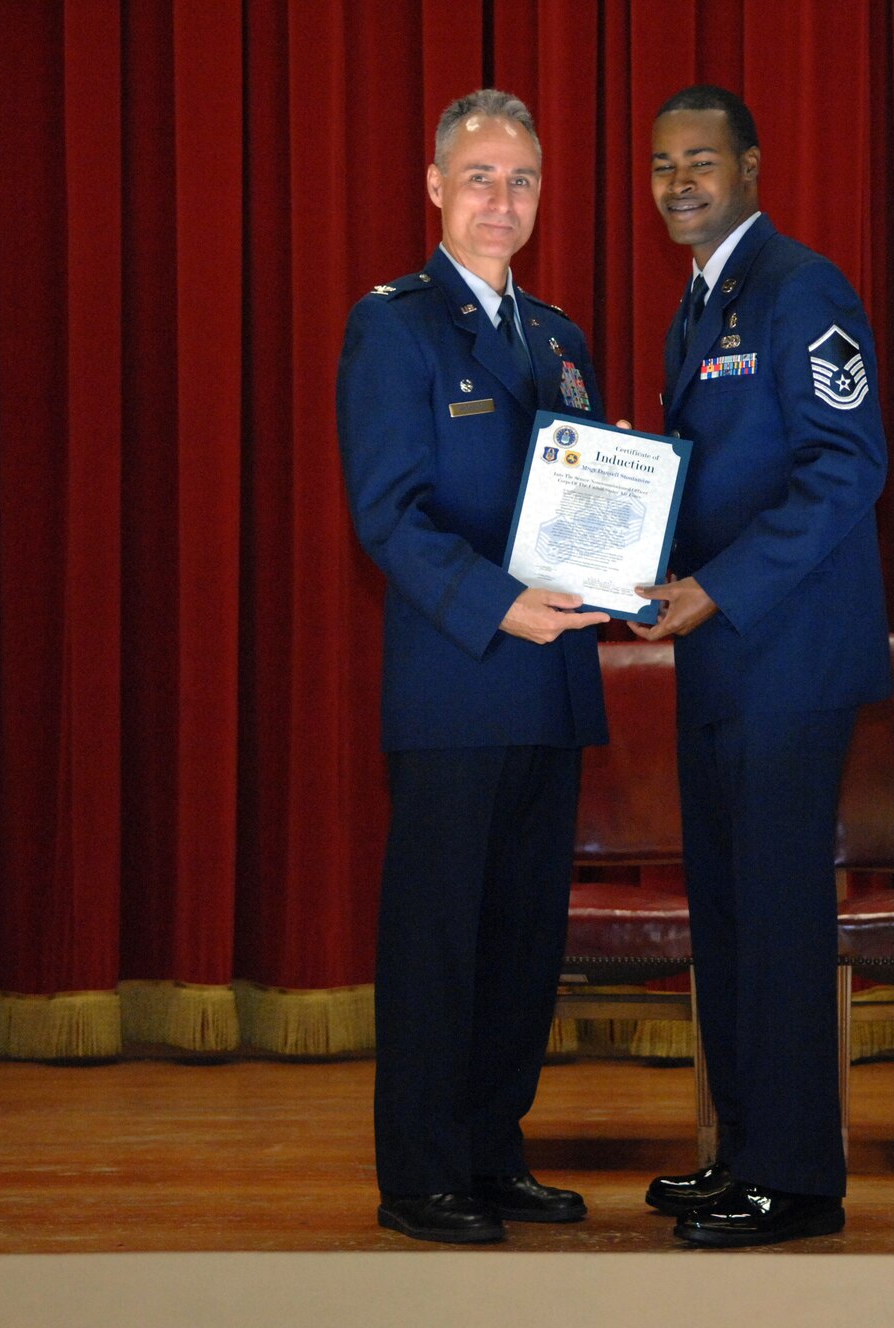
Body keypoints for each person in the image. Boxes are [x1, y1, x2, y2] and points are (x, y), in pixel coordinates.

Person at [337, 88, 608, 1244]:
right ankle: (421, 1171)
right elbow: (387, 514)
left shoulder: (558, 337)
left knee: (521, 939)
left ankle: (493, 1150)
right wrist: (505, 605)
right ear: (436, 188)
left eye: (524, 180)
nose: (504, 201)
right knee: (440, 938)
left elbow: (593, 496)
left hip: (551, 689)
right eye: (482, 177)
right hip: (457, 680)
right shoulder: (392, 326)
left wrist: (620, 570)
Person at [629, 85, 892, 1247]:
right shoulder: (699, 305)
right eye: (661, 166)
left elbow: (846, 467)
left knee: (778, 918)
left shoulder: (800, 289)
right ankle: (741, 1148)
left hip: (784, 658)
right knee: (729, 915)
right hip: (718, 659)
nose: (679, 182)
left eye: (701, 161)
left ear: (750, 167)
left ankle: (794, 1178)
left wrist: (716, 584)